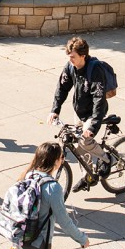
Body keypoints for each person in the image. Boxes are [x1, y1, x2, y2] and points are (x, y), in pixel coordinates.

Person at [47, 37, 109, 193]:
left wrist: (93, 127)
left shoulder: (95, 70)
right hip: (79, 111)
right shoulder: (70, 66)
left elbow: (98, 100)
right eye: (69, 56)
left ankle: (108, 158)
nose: (70, 59)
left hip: (93, 113)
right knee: (77, 145)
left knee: (85, 139)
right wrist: (55, 110)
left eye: (73, 56)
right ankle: (87, 176)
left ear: (83, 55)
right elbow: (62, 88)